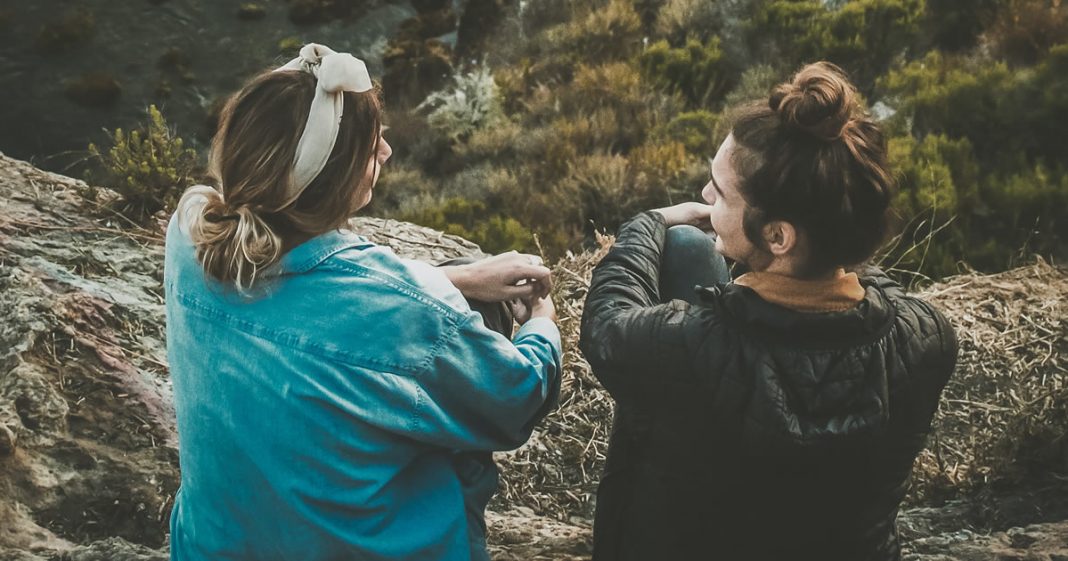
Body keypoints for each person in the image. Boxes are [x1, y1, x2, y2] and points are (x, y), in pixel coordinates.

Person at [164, 44, 561, 561]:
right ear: (331, 180)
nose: (386, 152)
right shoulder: (401, 310)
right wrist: (543, 324)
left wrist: (457, 278)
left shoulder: (189, 231)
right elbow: (517, 397)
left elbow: (316, 300)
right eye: (369, 144)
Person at [579, 62, 958, 561]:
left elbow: (606, 324)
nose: (705, 196)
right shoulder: (927, 338)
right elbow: (871, 286)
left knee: (685, 246)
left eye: (720, 189)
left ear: (778, 236)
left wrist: (646, 223)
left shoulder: (690, 347)